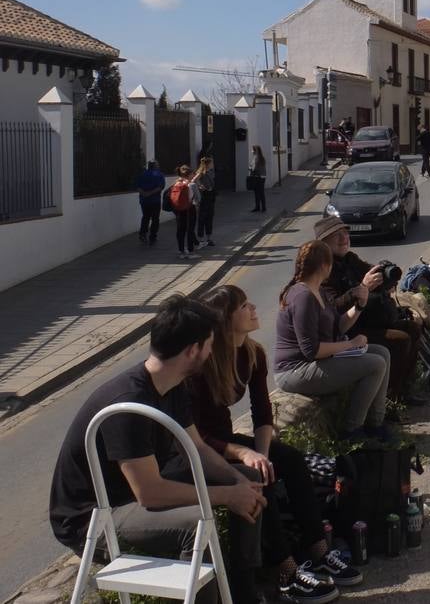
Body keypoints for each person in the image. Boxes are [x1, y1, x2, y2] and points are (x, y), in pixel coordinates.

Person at [49, 295, 267, 604]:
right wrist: (226, 496)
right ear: (192, 350)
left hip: (135, 493)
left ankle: (245, 591)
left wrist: (237, 482)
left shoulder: (172, 384)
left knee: (245, 479)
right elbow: (149, 493)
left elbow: (197, 448)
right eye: (208, 345)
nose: (211, 352)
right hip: (95, 517)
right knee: (197, 523)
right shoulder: (129, 403)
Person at [189, 285, 360, 598]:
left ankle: (319, 551)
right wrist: (246, 455)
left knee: (289, 460)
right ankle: (287, 570)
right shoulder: (203, 364)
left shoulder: (252, 354)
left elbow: (263, 414)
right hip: (202, 449)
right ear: (226, 320)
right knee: (258, 478)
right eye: (244, 306)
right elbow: (196, 435)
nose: (254, 307)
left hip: (227, 440)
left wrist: (263, 454)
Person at [274, 240, 391, 441]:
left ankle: (376, 422)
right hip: (294, 370)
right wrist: (352, 344)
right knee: (375, 364)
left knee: (382, 353)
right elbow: (312, 350)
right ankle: (353, 430)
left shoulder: (318, 291)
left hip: (314, 361)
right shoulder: (302, 296)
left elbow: (337, 327)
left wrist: (359, 306)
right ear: (324, 266)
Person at [315, 217, 427, 406]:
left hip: (371, 321)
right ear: (323, 243)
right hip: (348, 331)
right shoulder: (324, 270)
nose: (344, 239)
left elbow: (373, 272)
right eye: (337, 236)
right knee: (400, 339)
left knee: (413, 328)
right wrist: (361, 287)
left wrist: (385, 276)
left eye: (345, 233)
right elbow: (333, 307)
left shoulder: (350, 259)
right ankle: (387, 399)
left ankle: (403, 392)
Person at [169, 165, 200, 259]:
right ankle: (191, 252)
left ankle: (181, 252)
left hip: (178, 209)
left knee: (180, 230)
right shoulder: (191, 185)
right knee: (190, 230)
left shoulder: (176, 183)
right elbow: (198, 198)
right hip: (189, 209)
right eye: (192, 174)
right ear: (189, 174)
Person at [136, 159, 165, 245]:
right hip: (155, 200)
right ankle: (152, 236)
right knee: (155, 219)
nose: (159, 166)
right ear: (155, 166)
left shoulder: (142, 174)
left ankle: (143, 234)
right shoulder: (159, 175)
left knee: (145, 217)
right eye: (158, 164)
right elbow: (160, 187)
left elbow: (137, 186)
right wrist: (150, 193)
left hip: (144, 201)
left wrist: (144, 194)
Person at [194, 155, 216, 248]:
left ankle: (209, 238)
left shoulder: (211, 172)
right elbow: (194, 180)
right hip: (204, 196)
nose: (212, 164)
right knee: (202, 217)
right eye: (211, 163)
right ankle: (201, 239)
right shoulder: (201, 172)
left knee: (210, 217)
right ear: (207, 164)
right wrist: (201, 186)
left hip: (211, 196)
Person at [250, 145, 267, 212]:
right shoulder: (261, 157)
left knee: (258, 192)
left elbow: (255, 168)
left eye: (253, 150)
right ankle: (262, 207)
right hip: (262, 177)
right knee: (260, 192)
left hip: (258, 177)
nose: (252, 151)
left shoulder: (257, 158)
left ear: (256, 151)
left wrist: (251, 168)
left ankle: (259, 207)